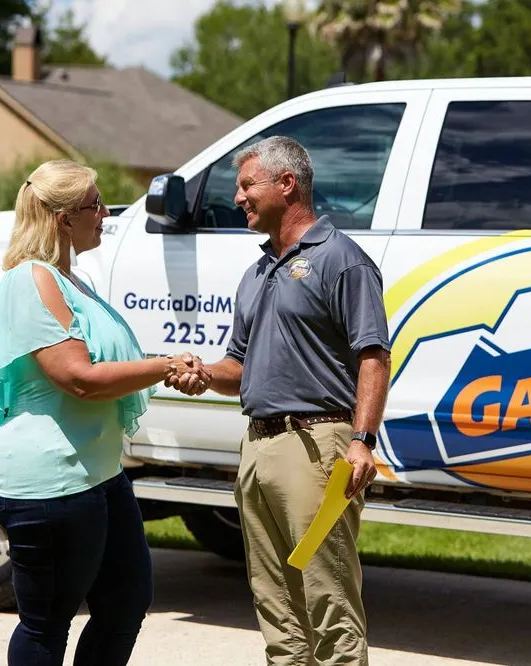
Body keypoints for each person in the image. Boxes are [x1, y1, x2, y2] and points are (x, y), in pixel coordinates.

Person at [0, 159, 207, 666]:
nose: (105, 214)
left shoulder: (71, 279)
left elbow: (106, 365)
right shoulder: (30, 281)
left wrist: (168, 366)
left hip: (97, 472)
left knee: (125, 601)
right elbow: (77, 377)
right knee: (46, 625)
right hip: (49, 482)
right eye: (94, 205)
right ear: (61, 217)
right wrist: (164, 366)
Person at [169, 136, 391, 665]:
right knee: (277, 611)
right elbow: (239, 366)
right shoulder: (257, 272)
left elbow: (373, 358)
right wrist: (205, 374)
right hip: (259, 448)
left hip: (319, 448)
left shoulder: (342, 260)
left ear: (286, 184)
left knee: (328, 600)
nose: (239, 197)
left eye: (247, 185)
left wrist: (362, 442)